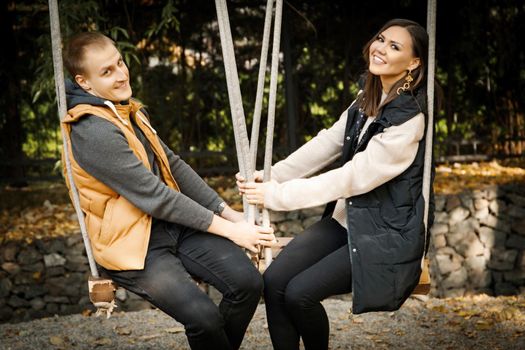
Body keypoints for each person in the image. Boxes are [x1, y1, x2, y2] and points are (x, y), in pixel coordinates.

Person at [61, 32, 275, 350]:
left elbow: (173, 167)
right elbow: (156, 196)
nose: (121, 74)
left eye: (120, 63)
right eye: (107, 71)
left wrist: (232, 215)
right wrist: (233, 232)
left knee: (247, 283)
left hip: (173, 227)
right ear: (85, 83)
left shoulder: (129, 112)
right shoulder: (92, 130)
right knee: (203, 318)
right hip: (133, 245)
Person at [238, 18, 435, 350]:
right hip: (349, 220)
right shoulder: (368, 96)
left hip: (385, 235)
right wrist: (273, 175)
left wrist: (278, 196)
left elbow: (352, 178)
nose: (381, 49)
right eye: (381, 39)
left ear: (414, 63)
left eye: (394, 47)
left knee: (300, 294)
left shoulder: (409, 119)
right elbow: (327, 143)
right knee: (273, 281)